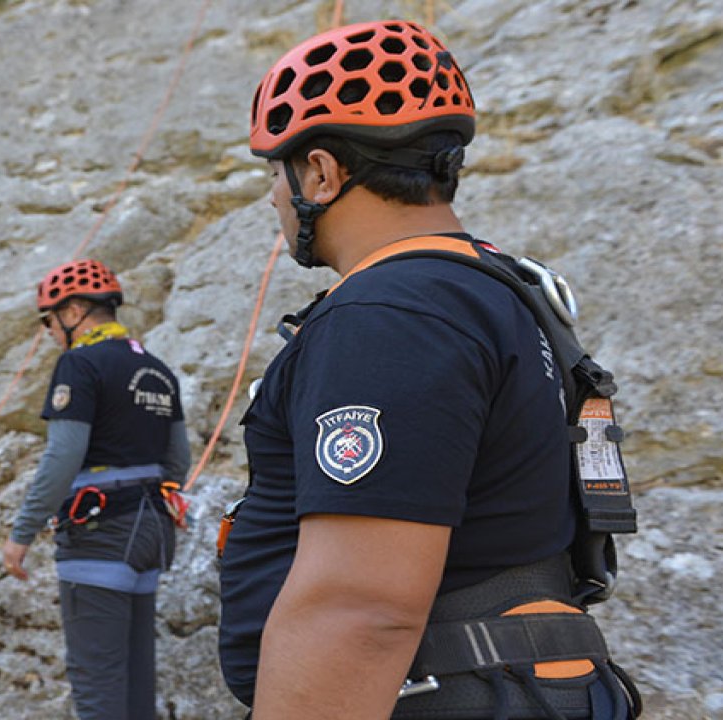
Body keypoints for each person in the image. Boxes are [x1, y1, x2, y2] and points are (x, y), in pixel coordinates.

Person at [217, 19, 639, 719]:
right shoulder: (495, 290)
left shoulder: (388, 317)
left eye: (274, 172)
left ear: (320, 172)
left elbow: (361, 608)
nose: (272, 197)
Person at [1, 259, 190, 720]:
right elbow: (178, 461)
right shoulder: (157, 369)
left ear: (74, 311)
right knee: (136, 680)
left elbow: (63, 455)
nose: (49, 332)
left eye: (49, 320)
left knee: (97, 683)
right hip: (151, 531)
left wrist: (22, 532)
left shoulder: (79, 364)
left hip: (101, 532)